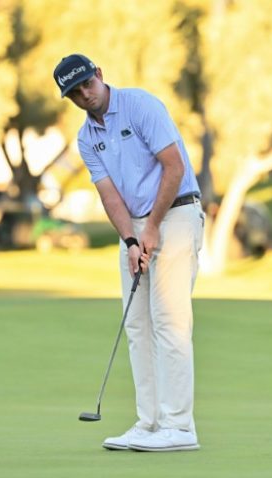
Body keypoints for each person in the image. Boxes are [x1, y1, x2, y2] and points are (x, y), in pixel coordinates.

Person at [53, 54, 204, 452]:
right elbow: (109, 195)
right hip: (138, 224)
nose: (84, 94)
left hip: (176, 212)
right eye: (75, 93)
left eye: (87, 84)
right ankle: (149, 423)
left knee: (169, 321)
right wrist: (131, 241)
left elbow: (172, 167)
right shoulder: (87, 139)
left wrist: (151, 227)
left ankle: (179, 426)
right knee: (137, 326)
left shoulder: (140, 105)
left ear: (99, 75)